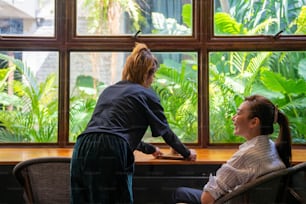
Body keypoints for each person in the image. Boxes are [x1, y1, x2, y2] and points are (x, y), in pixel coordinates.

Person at [70, 42, 197, 204]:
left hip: (82, 147)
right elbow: (165, 131)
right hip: (112, 149)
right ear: (147, 74)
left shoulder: (110, 90)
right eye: (153, 75)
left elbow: (112, 130)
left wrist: (150, 149)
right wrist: (186, 153)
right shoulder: (146, 94)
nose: (153, 80)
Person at [172, 94, 292, 204]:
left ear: (254, 122)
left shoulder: (246, 155)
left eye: (239, 113)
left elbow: (206, 200)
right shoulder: (270, 147)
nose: (233, 118)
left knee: (179, 192)